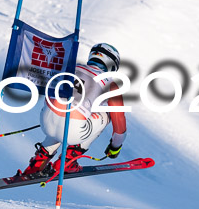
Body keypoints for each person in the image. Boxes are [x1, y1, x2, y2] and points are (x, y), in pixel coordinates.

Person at [19, 43, 127, 177]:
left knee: (66, 114)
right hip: (74, 130)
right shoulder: (110, 84)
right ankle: (68, 161)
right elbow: (120, 125)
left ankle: (38, 162)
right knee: (107, 114)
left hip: (46, 121)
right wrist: (115, 147)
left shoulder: (71, 68)